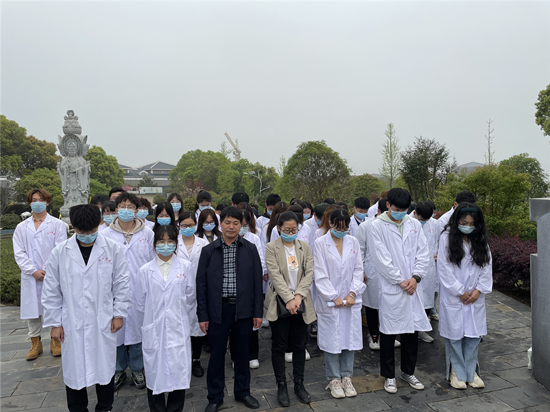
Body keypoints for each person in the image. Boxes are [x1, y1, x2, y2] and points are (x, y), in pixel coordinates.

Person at [42, 204, 131, 412]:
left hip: (103, 319)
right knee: (74, 370)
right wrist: (55, 323)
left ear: (99, 224)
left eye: (92, 230)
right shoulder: (60, 252)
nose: (88, 235)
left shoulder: (113, 249)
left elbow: (122, 283)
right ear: (73, 226)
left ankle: (105, 407)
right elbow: (51, 290)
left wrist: (119, 313)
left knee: (104, 368)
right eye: (82, 231)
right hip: (71, 321)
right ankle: (78, 408)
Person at [196, 207, 263, 412]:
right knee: (216, 355)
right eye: (227, 222)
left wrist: (258, 312)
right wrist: (203, 315)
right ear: (221, 224)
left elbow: (257, 282)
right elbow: (201, 285)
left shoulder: (250, 249)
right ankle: (215, 396)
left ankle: (243, 392)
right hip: (218, 310)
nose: (231, 227)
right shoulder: (209, 251)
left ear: (241, 225)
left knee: (242, 353)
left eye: (236, 223)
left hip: (243, 309)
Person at [369, 188, 431, 394]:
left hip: (413, 286)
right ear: (388, 205)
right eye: (397, 209)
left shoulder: (414, 224)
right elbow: (381, 258)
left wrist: (416, 277)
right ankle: (389, 375)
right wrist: (400, 281)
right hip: (392, 287)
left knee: (411, 332)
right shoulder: (377, 226)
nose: (400, 213)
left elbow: (423, 253)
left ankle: (408, 371)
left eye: (404, 210)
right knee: (388, 333)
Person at [135, 224, 195, 412]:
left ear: (176, 243)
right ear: (154, 244)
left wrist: (176, 313)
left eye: (170, 241)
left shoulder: (186, 267)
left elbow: (190, 297)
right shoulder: (145, 270)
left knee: (178, 374)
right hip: (154, 329)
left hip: (178, 327)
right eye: (161, 241)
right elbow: (139, 303)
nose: (166, 245)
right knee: (155, 375)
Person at [101, 192, 155, 391]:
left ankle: (138, 368)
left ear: (137, 210)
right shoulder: (105, 235)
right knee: (116, 333)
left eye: (130, 207)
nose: (126, 210)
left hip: (141, 290)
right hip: (114, 292)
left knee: (139, 331)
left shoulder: (147, 233)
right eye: (122, 206)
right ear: (116, 209)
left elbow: (153, 262)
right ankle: (118, 369)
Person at [438, 203, 492, 389]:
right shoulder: (446, 238)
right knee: (454, 336)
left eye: (471, 223)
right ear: (456, 221)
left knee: (474, 335)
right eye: (464, 223)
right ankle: (456, 372)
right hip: (455, 295)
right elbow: (444, 268)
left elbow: (486, 266)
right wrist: (459, 291)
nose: (468, 226)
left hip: (475, 296)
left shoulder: (480, 240)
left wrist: (478, 290)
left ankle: (471, 372)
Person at [264, 211, 315, 407]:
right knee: (279, 345)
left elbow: (308, 273)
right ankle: (282, 385)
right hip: (280, 302)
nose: (291, 233)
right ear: (279, 228)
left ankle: (299, 384)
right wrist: (288, 299)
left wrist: (298, 297)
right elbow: (275, 275)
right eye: (287, 230)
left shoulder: (304, 247)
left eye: (294, 229)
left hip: (301, 302)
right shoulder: (271, 248)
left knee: (300, 344)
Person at [313, 209, 365, 399]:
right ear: (330, 223)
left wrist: (353, 292)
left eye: (345, 228)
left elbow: (358, 269)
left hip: (350, 300)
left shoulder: (353, 242)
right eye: (338, 227)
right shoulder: (320, 243)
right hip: (330, 302)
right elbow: (319, 273)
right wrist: (333, 296)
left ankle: (347, 376)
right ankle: (334, 378)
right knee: (331, 340)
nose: (342, 231)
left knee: (349, 339)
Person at [13, 189, 67, 361]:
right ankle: (35, 342)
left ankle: (55, 341)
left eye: (41, 200)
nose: (37, 203)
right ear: (29, 203)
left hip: (52, 274)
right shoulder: (22, 227)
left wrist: (46, 269)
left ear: (47, 202)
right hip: (30, 276)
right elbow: (19, 252)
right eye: (34, 200)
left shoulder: (57, 225)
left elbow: (59, 249)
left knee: (53, 305)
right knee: (32, 310)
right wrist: (32, 271)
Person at [356, 198, 402, 351]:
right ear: (379, 211)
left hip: (390, 271)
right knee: (371, 305)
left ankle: (388, 335)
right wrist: (361, 270)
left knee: (389, 304)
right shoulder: (365, 226)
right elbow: (360, 250)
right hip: (372, 271)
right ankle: (374, 335)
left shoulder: (395, 225)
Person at [229, 208, 267, 368]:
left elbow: (260, 260)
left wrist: (258, 276)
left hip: (249, 285)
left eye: (245, 225)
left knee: (252, 321)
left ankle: (252, 354)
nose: (242, 228)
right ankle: (236, 356)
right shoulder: (228, 239)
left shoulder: (254, 239)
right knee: (234, 325)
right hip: (232, 286)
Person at [176, 211, 210, 378]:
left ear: (196, 225)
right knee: (179, 327)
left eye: (190, 225)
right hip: (177, 291)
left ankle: (196, 360)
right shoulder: (173, 244)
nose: (188, 228)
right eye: (184, 225)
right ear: (179, 226)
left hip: (199, 290)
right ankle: (181, 361)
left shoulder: (203, 243)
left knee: (197, 327)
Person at [413, 201, 439, 343]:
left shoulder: (434, 224)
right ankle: (410, 331)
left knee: (428, 300)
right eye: (421, 219)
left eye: (426, 219)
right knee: (413, 302)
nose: (423, 222)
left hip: (429, 269)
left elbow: (440, 241)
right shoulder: (408, 223)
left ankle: (421, 331)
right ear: (415, 213)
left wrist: (438, 254)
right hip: (412, 269)